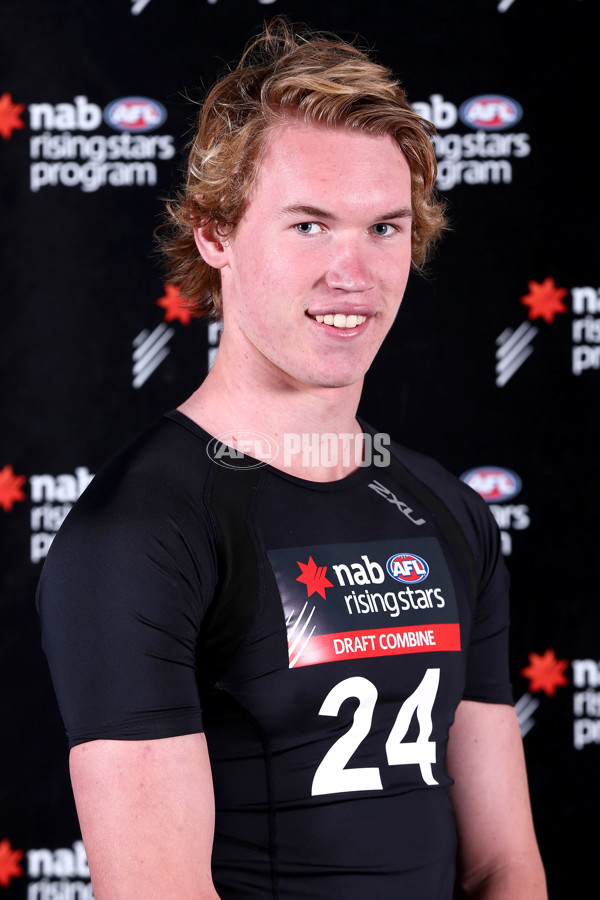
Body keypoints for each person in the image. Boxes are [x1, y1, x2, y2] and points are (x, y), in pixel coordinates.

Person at [37, 18, 547, 899]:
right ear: (214, 233)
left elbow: (503, 866)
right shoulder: (139, 534)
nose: (354, 271)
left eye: (384, 228)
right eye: (310, 225)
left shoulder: (449, 511)